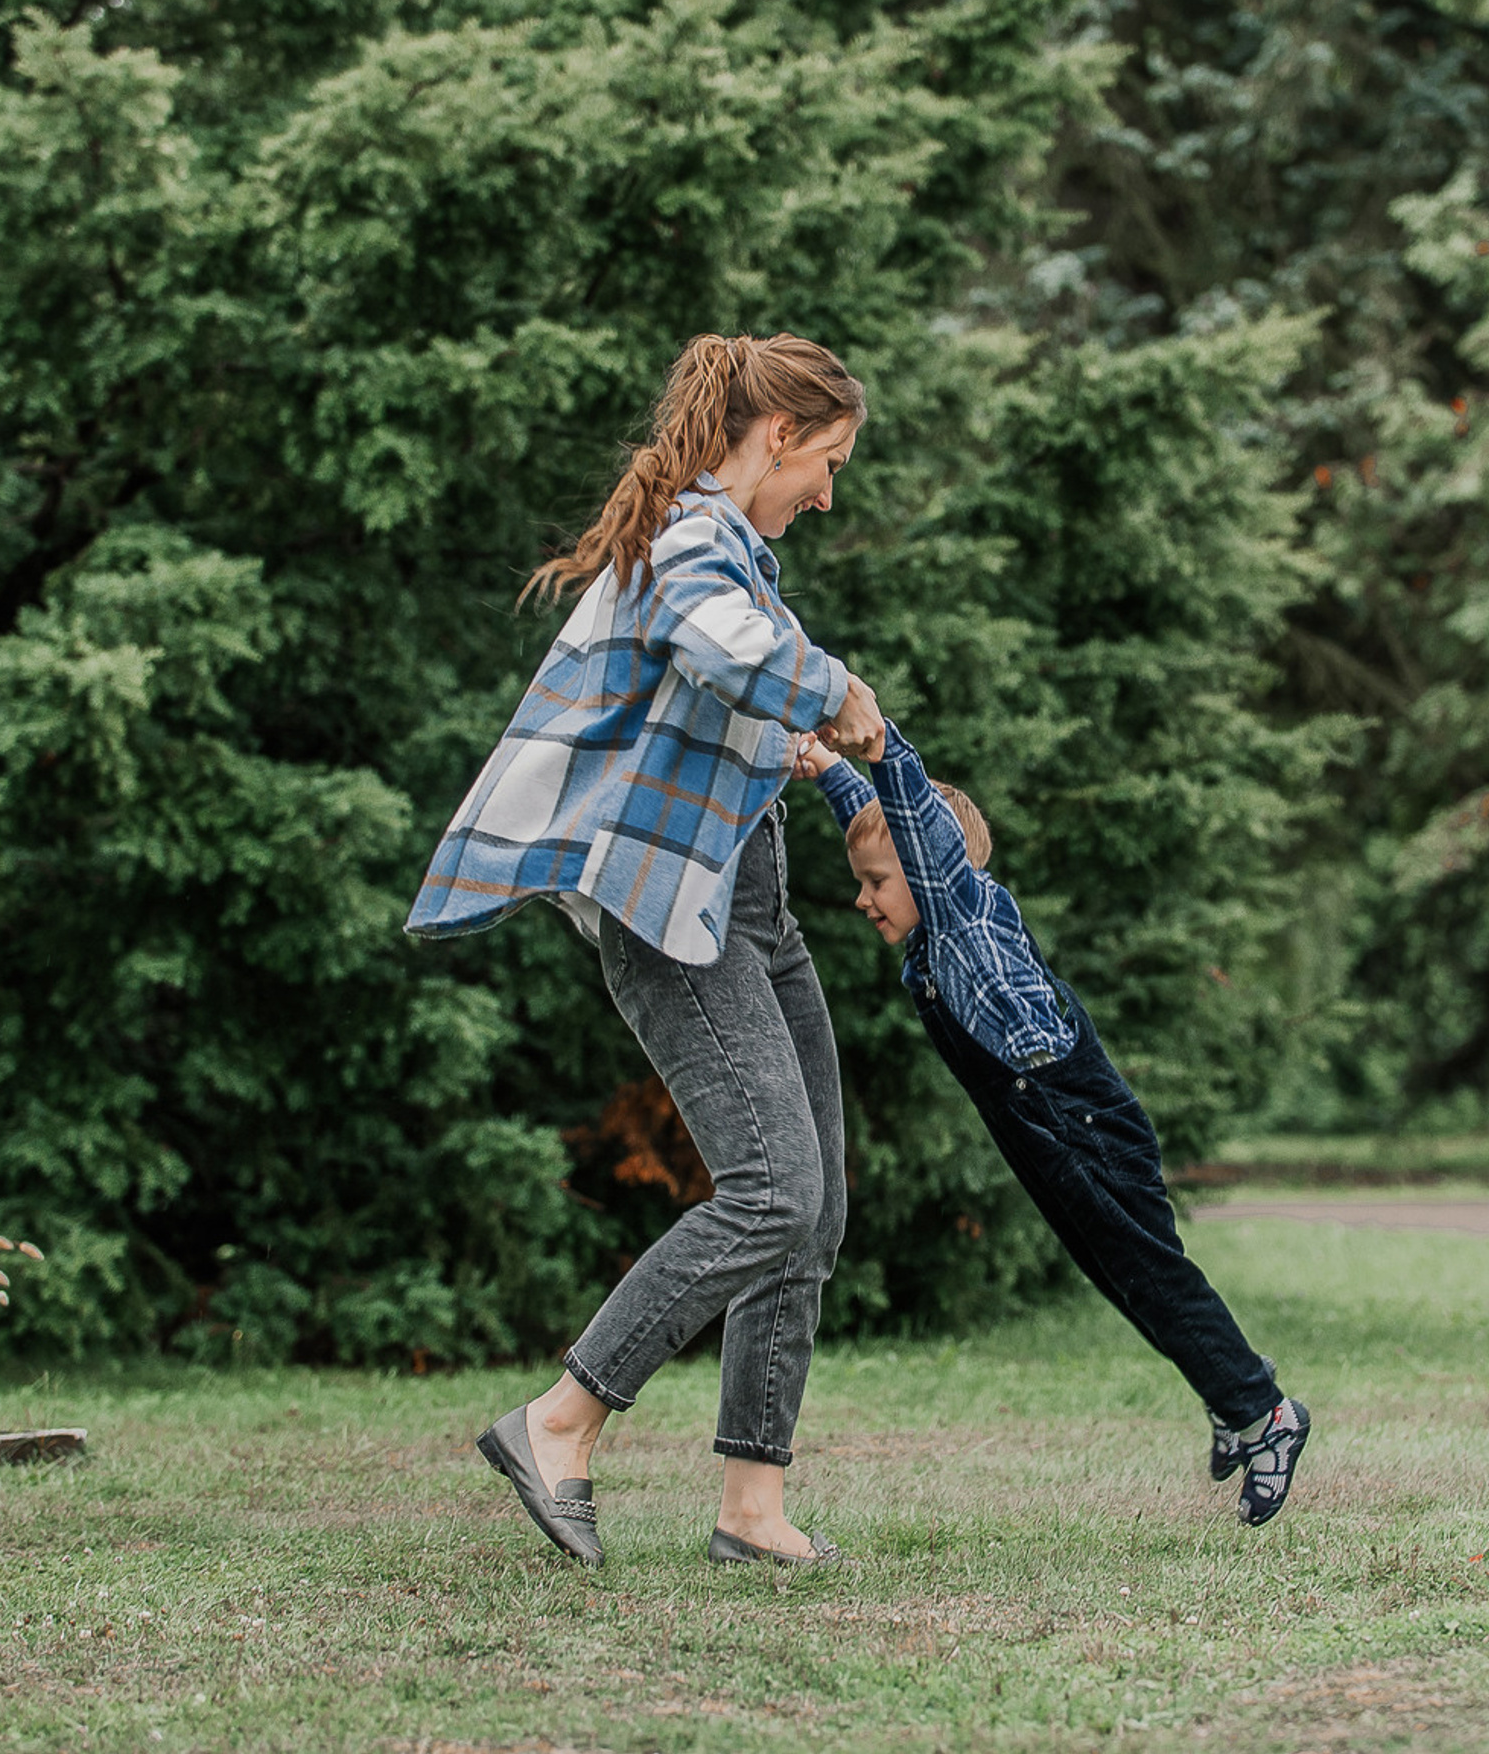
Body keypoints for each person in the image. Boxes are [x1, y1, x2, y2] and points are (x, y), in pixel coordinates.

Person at [407, 333, 885, 1568]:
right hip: (677, 915)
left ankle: (751, 1505)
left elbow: (702, 694)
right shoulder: (692, 533)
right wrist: (833, 690)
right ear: (777, 436)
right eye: (825, 461)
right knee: (773, 1186)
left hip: (752, 905)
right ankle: (558, 1422)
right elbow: (723, 646)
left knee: (814, 1201)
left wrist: (796, 749)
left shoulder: (731, 551)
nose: (829, 492)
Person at [796, 721, 1312, 1526]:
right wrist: (830, 768)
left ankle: (1265, 1414)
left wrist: (878, 746)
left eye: (875, 883)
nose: (862, 899)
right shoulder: (936, 932)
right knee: (1120, 1277)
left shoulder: (960, 916)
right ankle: (1229, 1391)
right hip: (1046, 1132)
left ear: (930, 872)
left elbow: (912, 828)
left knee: (1150, 1272)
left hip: (1082, 1123)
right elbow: (885, 826)